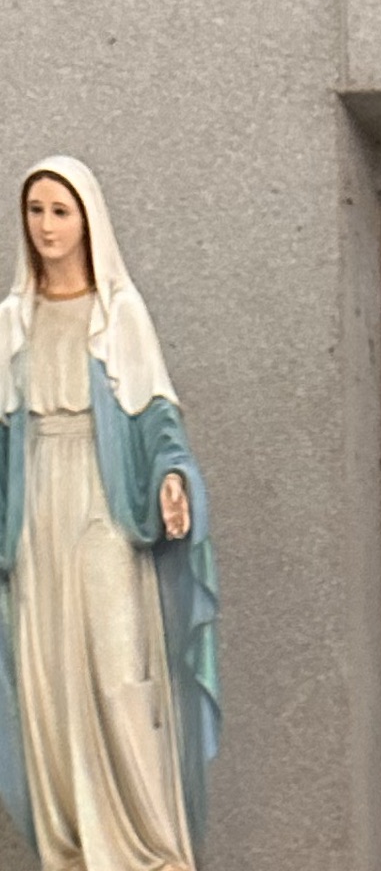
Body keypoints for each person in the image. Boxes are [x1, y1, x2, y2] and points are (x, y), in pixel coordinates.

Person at [0, 156, 220, 871]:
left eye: (61, 211)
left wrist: (171, 479)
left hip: (101, 501)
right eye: (36, 210)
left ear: (88, 220)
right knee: (47, 678)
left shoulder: (117, 314)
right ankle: (70, 850)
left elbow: (158, 420)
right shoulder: (13, 321)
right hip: (34, 509)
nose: (47, 226)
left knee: (116, 670)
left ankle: (149, 850)